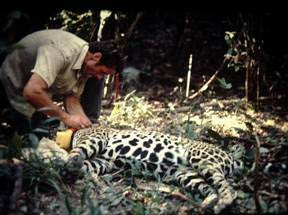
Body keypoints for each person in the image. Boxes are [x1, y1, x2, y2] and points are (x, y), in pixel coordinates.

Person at [0, 29, 122, 135]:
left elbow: (71, 97)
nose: (100, 77)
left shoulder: (85, 62)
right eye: (102, 72)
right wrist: (66, 118)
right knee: (35, 135)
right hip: (13, 84)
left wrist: (85, 125)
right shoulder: (60, 52)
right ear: (96, 57)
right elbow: (32, 91)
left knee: (47, 131)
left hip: (35, 88)